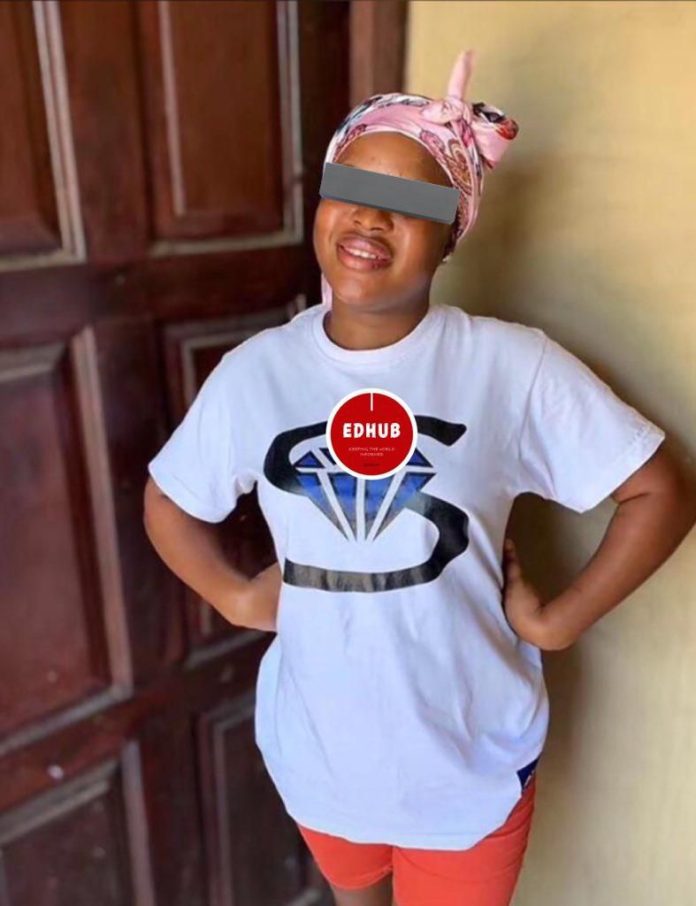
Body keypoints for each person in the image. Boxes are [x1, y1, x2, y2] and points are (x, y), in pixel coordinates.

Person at [143, 49, 696, 906]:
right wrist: (235, 596)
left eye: (411, 204)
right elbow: (170, 503)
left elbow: (660, 491)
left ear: (449, 234)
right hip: (319, 758)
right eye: (353, 188)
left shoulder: (509, 366)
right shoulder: (257, 374)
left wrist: (556, 623)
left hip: (470, 767)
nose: (372, 218)